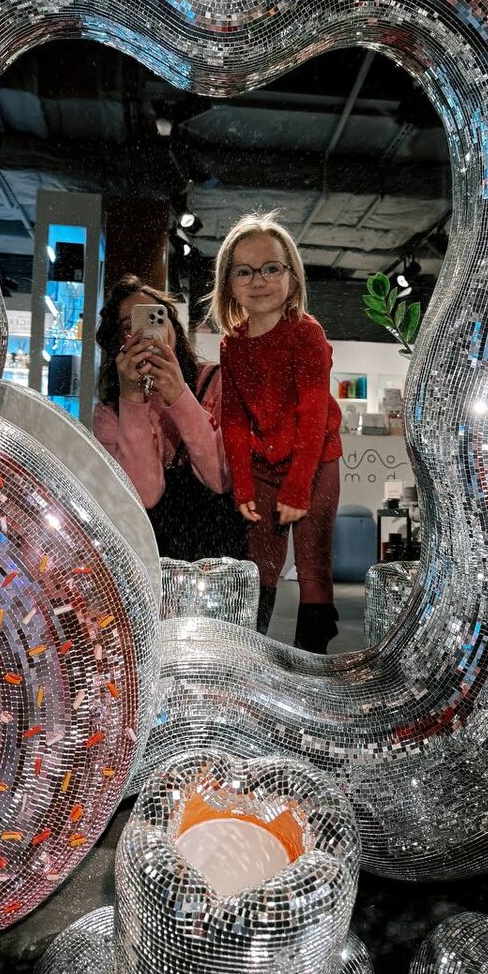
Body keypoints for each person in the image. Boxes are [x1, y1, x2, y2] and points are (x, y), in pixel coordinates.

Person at [208, 212, 342, 652]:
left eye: (271, 268)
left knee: (312, 560)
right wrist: (243, 484)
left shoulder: (306, 334)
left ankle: (314, 653)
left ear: (292, 276)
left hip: (314, 459)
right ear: (228, 283)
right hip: (263, 464)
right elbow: (233, 418)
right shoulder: (232, 343)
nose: (258, 281)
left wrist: (299, 487)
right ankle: (252, 648)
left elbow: (314, 416)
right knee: (260, 560)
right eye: (244, 271)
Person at [93, 275, 247, 562]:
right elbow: (145, 496)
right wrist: (132, 398)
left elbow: (221, 477)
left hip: (220, 559)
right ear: (117, 344)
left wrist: (178, 395)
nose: (144, 333)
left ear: (173, 328)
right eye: (129, 326)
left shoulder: (214, 381)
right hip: (151, 561)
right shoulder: (110, 413)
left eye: (155, 319)